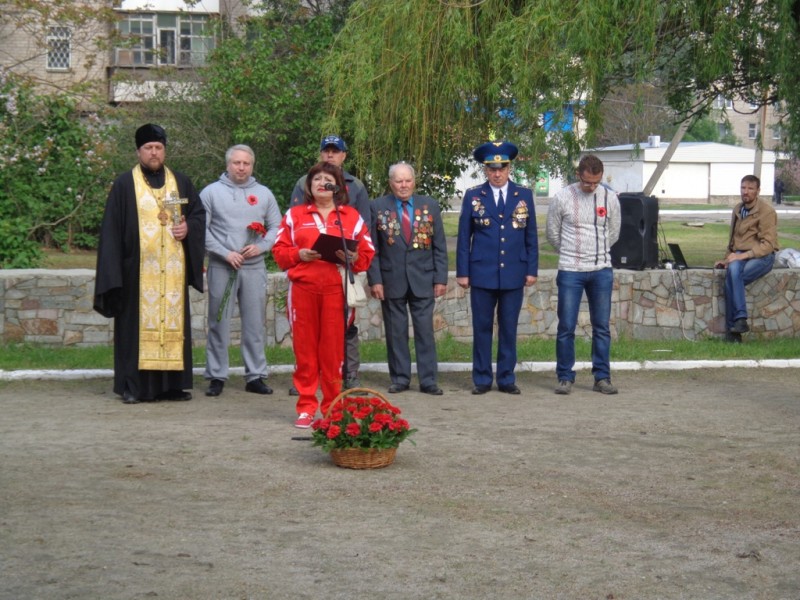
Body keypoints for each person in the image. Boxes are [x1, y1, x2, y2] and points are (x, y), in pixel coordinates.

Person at [94, 124, 205, 404]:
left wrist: (188, 228)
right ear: (138, 151)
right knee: (135, 331)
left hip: (173, 274)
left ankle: (172, 385)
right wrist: (114, 273)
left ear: (164, 150)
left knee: (173, 328)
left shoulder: (180, 183)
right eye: (148, 148)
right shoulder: (124, 185)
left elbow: (197, 214)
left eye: (158, 147)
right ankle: (134, 387)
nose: (154, 152)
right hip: (137, 273)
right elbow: (111, 231)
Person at [273, 161, 375, 428]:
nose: (321, 183)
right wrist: (299, 254)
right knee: (305, 350)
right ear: (309, 185)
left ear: (337, 186)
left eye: (327, 179)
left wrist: (353, 256)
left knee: (332, 353)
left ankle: (332, 406)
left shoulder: (350, 217)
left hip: (335, 291)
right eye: (316, 178)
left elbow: (367, 254)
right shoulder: (294, 215)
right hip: (303, 290)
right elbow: (279, 253)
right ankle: (306, 407)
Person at [455, 140, 538, 395]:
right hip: (482, 273)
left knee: (509, 327)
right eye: (492, 169)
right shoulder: (473, 195)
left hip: (513, 272)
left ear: (509, 168)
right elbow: (463, 237)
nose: (497, 173)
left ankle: (506, 377)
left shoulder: (523, 195)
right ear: (485, 170)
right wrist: (463, 272)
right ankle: (481, 378)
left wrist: (531, 269)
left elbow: (531, 236)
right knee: (481, 327)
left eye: (502, 168)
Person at [289, 135, 371, 390]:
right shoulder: (305, 182)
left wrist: (357, 258)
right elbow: (293, 227)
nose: (330, 156)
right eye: (327, 151)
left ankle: (350, 374)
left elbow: (364, 228)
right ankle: (307, 379)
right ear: (321, 153)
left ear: (344, 156)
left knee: (346, 325)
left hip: (344, 268)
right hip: (309, 272)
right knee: (307, 332)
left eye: (336, 152)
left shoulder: (355, 186)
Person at [201, 145, 282, 397]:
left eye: (246, 163)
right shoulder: (210, 193)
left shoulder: (264, 194)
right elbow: (200, 230)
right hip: (222, 266)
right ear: (227, 165)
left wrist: (260, 247)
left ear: (252, 165)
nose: (241, 167)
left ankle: (255, 375)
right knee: (218, 321)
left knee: (255, 324)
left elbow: (277, 227)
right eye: (236, 163)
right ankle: (216, 375)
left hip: (253, 267)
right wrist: (225, 253)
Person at [368, 162, 449, 395]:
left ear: (414, 181)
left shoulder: (430, 205)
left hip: (423, 279)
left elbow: (439, 246)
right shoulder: (378, 206)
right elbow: (372, 248)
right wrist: (375, 280)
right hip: (391, 279)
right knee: (396, 332)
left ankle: (428, 380)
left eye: (407, 180)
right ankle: (400, 378)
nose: (403, 185)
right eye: (398, 181)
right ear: (390, 183)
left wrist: (440, 278)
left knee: (425, 331)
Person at [546, 154, 621, 395]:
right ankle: (565, 377)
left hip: (601, 271)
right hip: (570, 270)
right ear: (579, 175)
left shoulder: (610, 197)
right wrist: (571, 253)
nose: (592, 187)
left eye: (596, 182)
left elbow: (614, 232)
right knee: (566, 326)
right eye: (588, 182)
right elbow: (552, 233)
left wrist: (597, 253)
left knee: (601, 327)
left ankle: (602, 377)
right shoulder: (562, 198)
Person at [714, 174, 778, 343]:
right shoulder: (737, 209)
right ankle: (739, 323)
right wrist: (726, 259)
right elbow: (733, 242)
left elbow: (768, 245)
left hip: (762, 257)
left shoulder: (766, 212)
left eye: (750, 188)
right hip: (741, 257)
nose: (746, 192)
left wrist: (742, 256)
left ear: (758, 191)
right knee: (733, 271)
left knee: (733, 278)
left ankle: (733, 332)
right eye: (743, 188)